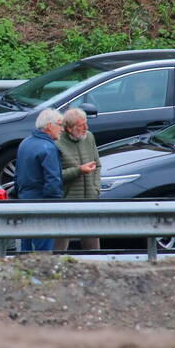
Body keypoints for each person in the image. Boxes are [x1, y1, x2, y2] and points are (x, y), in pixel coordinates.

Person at [14, 108, 64, 253]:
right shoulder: (49, 148)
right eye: (59, 125)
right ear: (49, 126)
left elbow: (17, 176)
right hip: (43, 206)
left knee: (26, 248)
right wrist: (55, 205)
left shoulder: (25, 143)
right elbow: (53, 181)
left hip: (25, 201)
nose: (62, 129)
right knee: (43, 252)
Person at [54, 107, 101, 251]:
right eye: (81, 125)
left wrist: (96, 188)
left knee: (93, 247)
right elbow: (55, 175)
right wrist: (78, 171)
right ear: (69, 128)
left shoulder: (89, 137)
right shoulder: (57, 142)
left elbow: (97, 165)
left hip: (90, 199)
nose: (86, 128)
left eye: (86, 123)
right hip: (67, 201)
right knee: (60, 244)